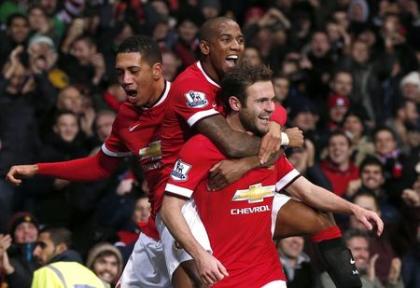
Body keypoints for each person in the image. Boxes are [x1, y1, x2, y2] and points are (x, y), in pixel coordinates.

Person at [160, 63, 383, 287]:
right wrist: (200, 256)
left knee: (321, 216)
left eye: (272, 100)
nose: (271, 108)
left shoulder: (269, 145)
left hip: (268, 276)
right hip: (224, 276)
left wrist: (355, 208)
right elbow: (169, 209)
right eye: (261, 101)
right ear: (236, 104)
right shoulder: (201, 148)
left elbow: (307, 190)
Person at [6, 35, 173, 287]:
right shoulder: (127, 116)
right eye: (120, 72)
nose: (125, 80)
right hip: (157, 222)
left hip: (195, 214)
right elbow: (98, 165)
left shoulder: (185, 99)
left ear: (157, 70)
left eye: (134, 71)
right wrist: (39, 168)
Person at [320, 229, 404, 288]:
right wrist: (370, 281)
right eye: (357, 249)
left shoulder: (368, 276)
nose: (363, 254)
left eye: (366, 249)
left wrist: (393, 282)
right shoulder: (329, 277)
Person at [31, 227, 106, 288]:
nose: (35, 252)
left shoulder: (47, 273)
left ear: (61, 248)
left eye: (42, 246)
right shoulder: (95, 279)